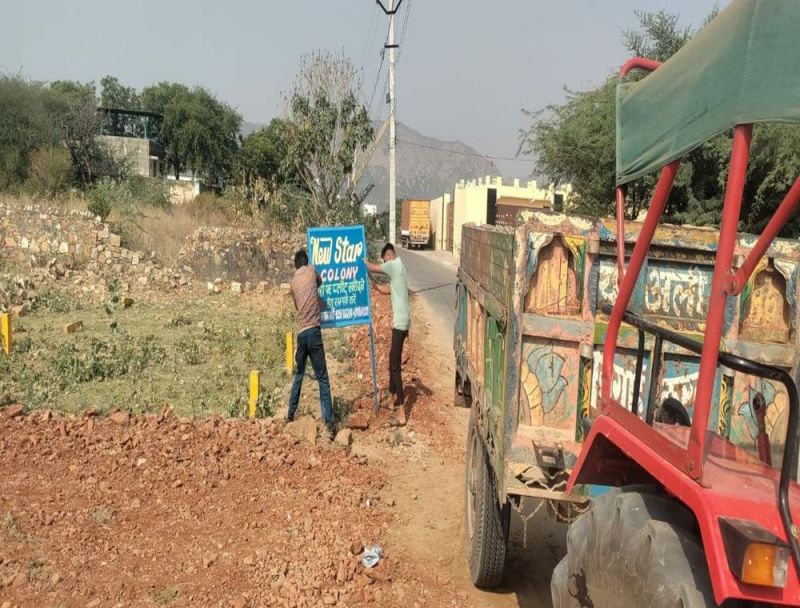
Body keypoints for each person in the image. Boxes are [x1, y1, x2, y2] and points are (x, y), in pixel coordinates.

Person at [287, 249, 336, 440]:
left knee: (299, 375)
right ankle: (329, 424)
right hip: (314, 332)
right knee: (323, 379)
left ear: (295, 265)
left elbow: (297, 306)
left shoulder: (292, 282)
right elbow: (320, 283)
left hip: (302, 334)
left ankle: (290, 416)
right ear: (306, 263)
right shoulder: (312, 270)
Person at [365, 243, 411, 408]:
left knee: (394, 365)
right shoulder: (399, 269)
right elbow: (389, 289)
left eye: (385, 260)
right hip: (402, 321)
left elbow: (373, 267)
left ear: (389, 256)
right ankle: (392, 400)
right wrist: (375, 286)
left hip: (400, 323)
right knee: (393, 360)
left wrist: (363, 260)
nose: (385, 263)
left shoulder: (393, 265)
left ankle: (402, 408)